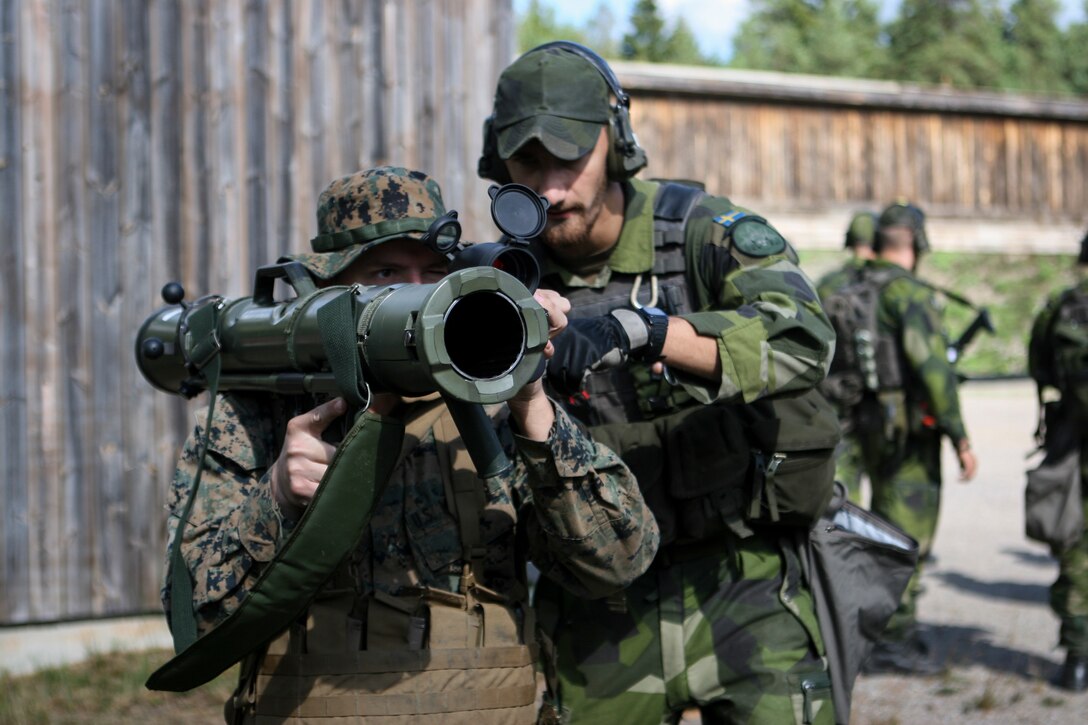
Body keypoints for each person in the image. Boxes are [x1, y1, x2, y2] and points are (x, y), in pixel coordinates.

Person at [160, 166, 660, 723]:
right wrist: (275, 496)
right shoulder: (257, 415)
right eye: (386, 273)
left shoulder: (495, 409)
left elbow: (617, 560)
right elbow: (194, 615)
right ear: (327, 293)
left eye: (436, 273)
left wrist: (532, 402)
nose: (419, 295)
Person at [479, 41, 839, 724]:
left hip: (740, 577)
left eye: (569, 159)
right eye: (529, 164)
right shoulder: (502, 273)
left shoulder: (701, 232)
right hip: (595, 598)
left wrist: (642, 331)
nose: (551, 189)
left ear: (614, 145)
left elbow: (803, 337)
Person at [853, 201, 979, 675]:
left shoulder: (851, 284)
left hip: (859, 428)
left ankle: (862, 627)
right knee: (906, 536)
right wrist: (960, 437)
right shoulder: (909, 294)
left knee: (864, 530)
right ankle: (894, 639)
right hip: (907, 438)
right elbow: (935, 372)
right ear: (917, 243)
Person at [1027, 229, 1088, 692]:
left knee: (1076, 546)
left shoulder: (1060, 307)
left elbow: (1040, 368)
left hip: (1072, 439)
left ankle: (1077, 657)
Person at [817, 212, 879, 502]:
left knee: (843, 486)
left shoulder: (829, 284)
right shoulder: (887, 282)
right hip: (882, 400)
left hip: (837, 397)